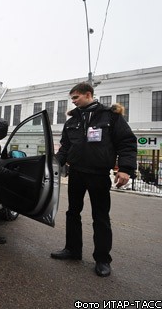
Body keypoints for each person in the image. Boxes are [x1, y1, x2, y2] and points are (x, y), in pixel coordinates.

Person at [51, 82, 137, 277]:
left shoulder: (110, 116)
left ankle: (102, 259)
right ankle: (72, 250)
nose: (72, 102)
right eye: (72, 98)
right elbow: (65, 147)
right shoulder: (72, 121)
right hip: (76, 173)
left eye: (76, 97)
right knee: (73, 212)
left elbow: (126, 143)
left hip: (98, 174)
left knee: (100, 216)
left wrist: (125, 169)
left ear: (88, 94)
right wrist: (54, 164)